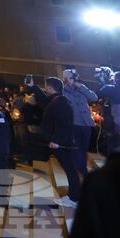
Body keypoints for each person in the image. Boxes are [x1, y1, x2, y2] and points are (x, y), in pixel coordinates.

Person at [36, 77, 82, 208]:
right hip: (61, 141)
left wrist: (56, 141)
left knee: (70, 169)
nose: (45, 89)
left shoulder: (59, 102)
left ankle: (74, 198)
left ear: (50, 88)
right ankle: (74, 196)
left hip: (61, 142)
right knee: (70, 169)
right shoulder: (58, 100)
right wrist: (34, 87)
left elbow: (64, 124)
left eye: (46, 87)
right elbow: (44, 101)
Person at [59, 69, 97, 176]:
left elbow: (94, 97)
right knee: (76, 148)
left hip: (86, 124)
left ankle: (82, 167)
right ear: (66, 79)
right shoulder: (63, 91)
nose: (73, 80)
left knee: (84, 148)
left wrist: (81, 86)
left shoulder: (81, 88)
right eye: (71, 78)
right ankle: (77, 170)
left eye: (74, 78)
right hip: (73, 123)